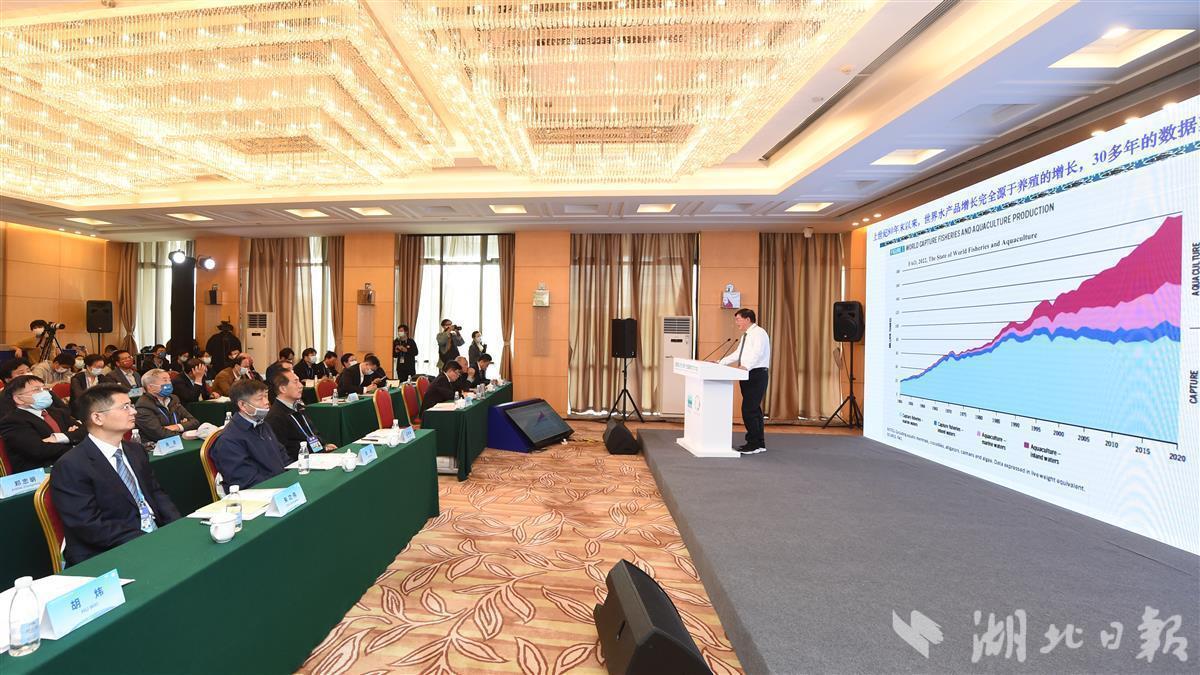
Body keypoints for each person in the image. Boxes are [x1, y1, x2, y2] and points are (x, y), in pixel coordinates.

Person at [50, 384, 180, 565]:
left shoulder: (135, 450)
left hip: (153, 535)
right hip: (109, 551)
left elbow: (156, 493)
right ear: (97, 418)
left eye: (131, 405)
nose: (133, 411)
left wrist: (177, 527)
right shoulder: (71, 465)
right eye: (125, 407)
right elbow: (89, 525)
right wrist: (148, 541)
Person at [209, 379, 290, 490]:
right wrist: (282, 484)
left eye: (266, 396)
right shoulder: (228, 440)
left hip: (281, 485)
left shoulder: (262, 424)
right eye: (260, 398)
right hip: (260, 492)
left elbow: (282, 456)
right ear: (243, 405)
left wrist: (291, 475)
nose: (266, 402)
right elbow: (247, 480)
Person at [0, 375, 85, 473]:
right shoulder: (12, 421)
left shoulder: (56, 412)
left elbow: (86, 431)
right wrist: (73, 442)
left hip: (69, 462)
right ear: (19, 399)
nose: (44, 393)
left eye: (44, 388)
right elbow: (38, 450)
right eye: (37, 390)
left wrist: (59, 438)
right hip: (40, 471)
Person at [718, 308, 771, 455]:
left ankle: (753, 444)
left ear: (748, 319)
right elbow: (737, 354)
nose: (736, 323)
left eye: (738, 319)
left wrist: (746, 366)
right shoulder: (746, 335)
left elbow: (758, 353)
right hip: (747, 374)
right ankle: (759, 443)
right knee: (754, 410)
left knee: (749, 410)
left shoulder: (759, 333)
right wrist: (720, 362)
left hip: (756, 374)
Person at [265, 371, 337, 462]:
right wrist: (316, 453)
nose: (301, 386)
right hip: (300, 463)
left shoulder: (298, 407)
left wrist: (323, 446)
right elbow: (285, 452)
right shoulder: (275, 417)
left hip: (315, 456)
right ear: (283, 389)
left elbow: (312, 433)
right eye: (295, 382)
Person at [134, 369, 200, 442]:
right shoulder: (143, 406)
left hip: (177, 442)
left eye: (169, 380)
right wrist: (184, 432)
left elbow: (195, 422)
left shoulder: (173, 399)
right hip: (156, 446)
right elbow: (159, 434)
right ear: (151, 387)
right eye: (165, 380)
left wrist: (177, 427)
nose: (169, 383)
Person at [70, 354, 108, 419]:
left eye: (101, 367)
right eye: (97, 367)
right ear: (88, 366)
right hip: (81, 409)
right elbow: (79, 396)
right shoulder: (77, 378)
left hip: (100, 408)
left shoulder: (102, 378)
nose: (100, 369)